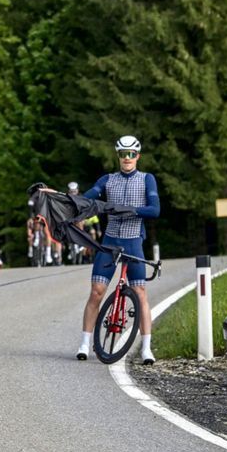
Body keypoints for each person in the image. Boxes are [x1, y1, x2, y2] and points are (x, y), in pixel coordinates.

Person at [76, 135, 160, 364]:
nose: (127, 158)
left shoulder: (146, 179)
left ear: (138, 156)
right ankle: (85, 343)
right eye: (123, 154)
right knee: (97, 291)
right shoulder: (108, 180)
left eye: (131, 154)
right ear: (118, 156)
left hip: (133, 241)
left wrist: (130, 210)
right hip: (110, 241)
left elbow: (154, 210)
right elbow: (89, 198)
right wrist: (73, 204)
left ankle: (146, 348)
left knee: (140, 293)